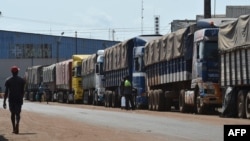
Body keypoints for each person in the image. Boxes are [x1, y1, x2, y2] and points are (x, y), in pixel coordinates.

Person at [3, 66, 26, 134]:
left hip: (11, 99)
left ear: (11, 72)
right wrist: (22, 98)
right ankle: (17, 123)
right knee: (18, 113)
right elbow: (23, 91)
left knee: (12, 113)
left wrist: (4, 102)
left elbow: (6, 92)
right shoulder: (22, 80)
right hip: (19, 99)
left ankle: (13, 128)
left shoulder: (8, 80)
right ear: (17, 72)